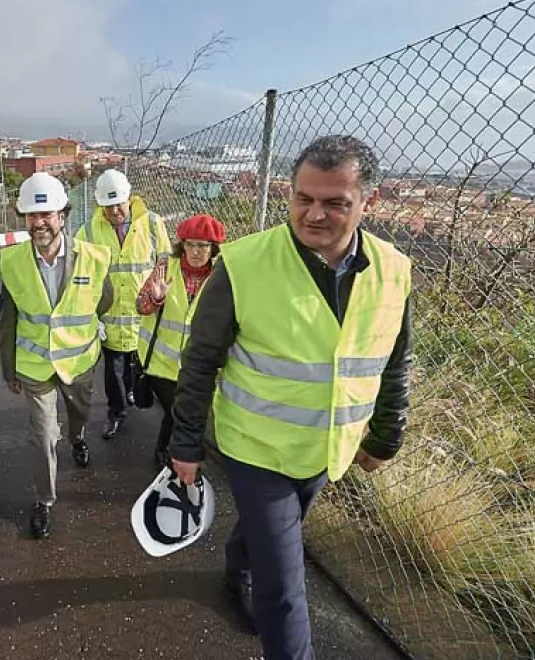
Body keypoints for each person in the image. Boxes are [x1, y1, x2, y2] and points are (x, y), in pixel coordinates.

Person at [169, 135, 413, 659]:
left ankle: (237, 569)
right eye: (303, 198)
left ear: (369, 202)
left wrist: (385, 435)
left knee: (269, 533)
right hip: (256, 448)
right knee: (284, 584)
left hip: (327, 450)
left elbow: (395, 360)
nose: (314, 214)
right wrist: (185, 443)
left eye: (335, 203)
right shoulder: (242, 265)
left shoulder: (395, 271)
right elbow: (200, 360)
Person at [0, 173, 113, 539]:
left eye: (47, 214)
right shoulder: (12, 261)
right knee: (44, 434)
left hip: (79, 362)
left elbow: (105, 300)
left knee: (79, 414)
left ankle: (78, 437)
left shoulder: (94, 258)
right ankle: (44, 499)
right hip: (34, 366)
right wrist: (9, 368)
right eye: (32, 215)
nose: (40, 222)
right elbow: (9, 317)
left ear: (63, 215)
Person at [75, 168, 170, 440]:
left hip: (144, 313)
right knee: (113, 369)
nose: (115, 210)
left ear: (129, 199)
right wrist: (91, 316)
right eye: (108, 205)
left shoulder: (152, 223)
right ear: (99, 205)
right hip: (111, 316)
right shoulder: (90, 230)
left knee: (138, 364)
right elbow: (80, 272)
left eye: (119, 204)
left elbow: (164, 262)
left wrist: (158, 296)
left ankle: (134, 393)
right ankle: (116, 412)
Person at [135, 213, 226, 470]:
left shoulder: (221, 275)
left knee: (180, 413)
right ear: (182, 244)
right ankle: (168, 454)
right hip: (162, 363)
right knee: (178, 412)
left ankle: (167, 451)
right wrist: (155, 299)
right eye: (191, 244)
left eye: (204, 246)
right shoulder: (166, 266)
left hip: (197, 364)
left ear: (213, 248)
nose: (197, 252)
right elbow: (140, 307)